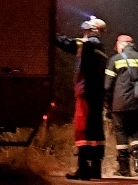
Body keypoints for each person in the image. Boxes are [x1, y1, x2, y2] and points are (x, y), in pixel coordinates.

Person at [56, 16, 110, 180]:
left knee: (83, 128)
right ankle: (95, 169)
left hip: (85, 91)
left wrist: (51, 33)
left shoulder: (88, 44)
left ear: (92, 29)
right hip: (97, 94)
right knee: (96, 131)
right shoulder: (102, 49)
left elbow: (68, 43)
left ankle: (83, 169)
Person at [104, 34, 138, 177]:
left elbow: (107, 86)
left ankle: (124, 168)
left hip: (119, 104)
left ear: (121, 45)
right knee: (137, 132)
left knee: (121, 131)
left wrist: (107, 104)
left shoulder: (115, 60)